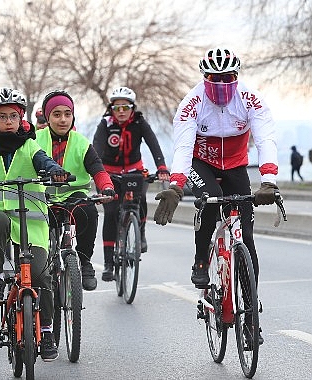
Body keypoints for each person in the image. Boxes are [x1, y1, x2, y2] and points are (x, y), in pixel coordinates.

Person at [153, 48, 279, 344]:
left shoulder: (250, 99)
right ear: (204, 78)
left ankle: (250, 317)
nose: (221, 84)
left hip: (236, 166)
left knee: (246, 237)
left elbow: (265, 138)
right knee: (211, 200)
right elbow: (183, 147)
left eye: (228, 78)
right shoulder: (192, 103)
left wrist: (269, 180)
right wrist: (176, 185)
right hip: (202, 164)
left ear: (237, 78)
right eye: (214, 78)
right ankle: (200, 260)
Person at [0, 87, 69, 362]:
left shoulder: (29, 143)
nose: (8, 121)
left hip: (30, 219)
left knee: (41, 276)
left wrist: (55, 171)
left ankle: (46, 332)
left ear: (21, 118)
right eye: (2, 117)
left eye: (13, 116)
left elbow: (42, 160)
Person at [36, 90, 115, 291]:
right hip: (41, 197)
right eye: (56, 114)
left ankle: (85, 262)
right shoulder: (34, 141)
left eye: (67, 114)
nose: (63, 119)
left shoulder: (82, 143)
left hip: (73, 196)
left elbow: (97, 169)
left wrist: (106, 187)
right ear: (47, 117)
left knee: (88, 211)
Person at [92, 86, 170, 281]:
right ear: (111, 109)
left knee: (140, 198)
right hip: (110, 173)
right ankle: (109, 264)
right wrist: (96, 172)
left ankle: (141, 233)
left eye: (125, 107)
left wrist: (161, 167)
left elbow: (153, 144)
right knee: (110, 213)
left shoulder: (139, 123)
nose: (121, 112)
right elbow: (96, 149)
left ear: (132, 108)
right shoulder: (105, 124)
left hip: (135, 170)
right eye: (116, 108)